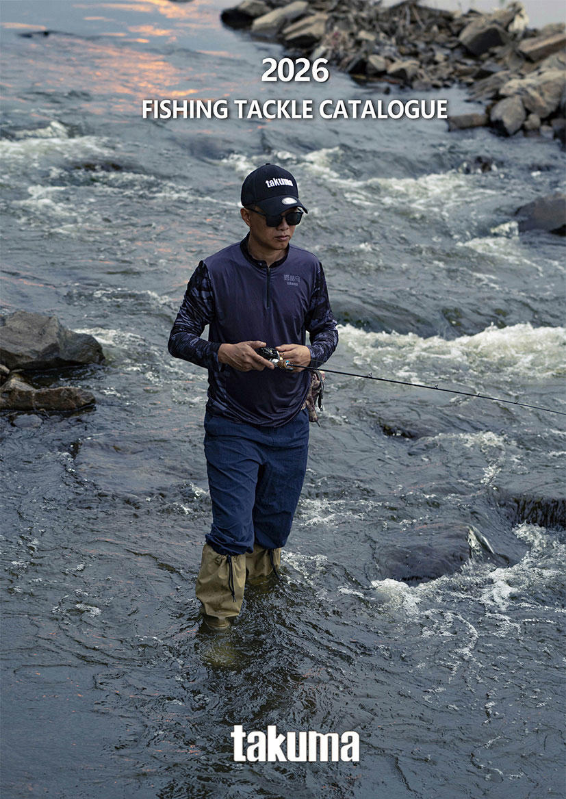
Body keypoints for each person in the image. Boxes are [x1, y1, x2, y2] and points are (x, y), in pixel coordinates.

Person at [167, 163, 338, 630]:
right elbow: (179, 338)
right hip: (232, 423)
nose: (285, 227)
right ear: (247, 216)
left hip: (291, 423)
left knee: (273, 527)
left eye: (293, 217)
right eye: (274, 218)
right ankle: (218, 629)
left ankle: (259, 607)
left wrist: (311, 353)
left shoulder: (308, 268)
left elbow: (326, 330)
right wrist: (222, 352)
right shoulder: (215, 271)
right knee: (232, 531)